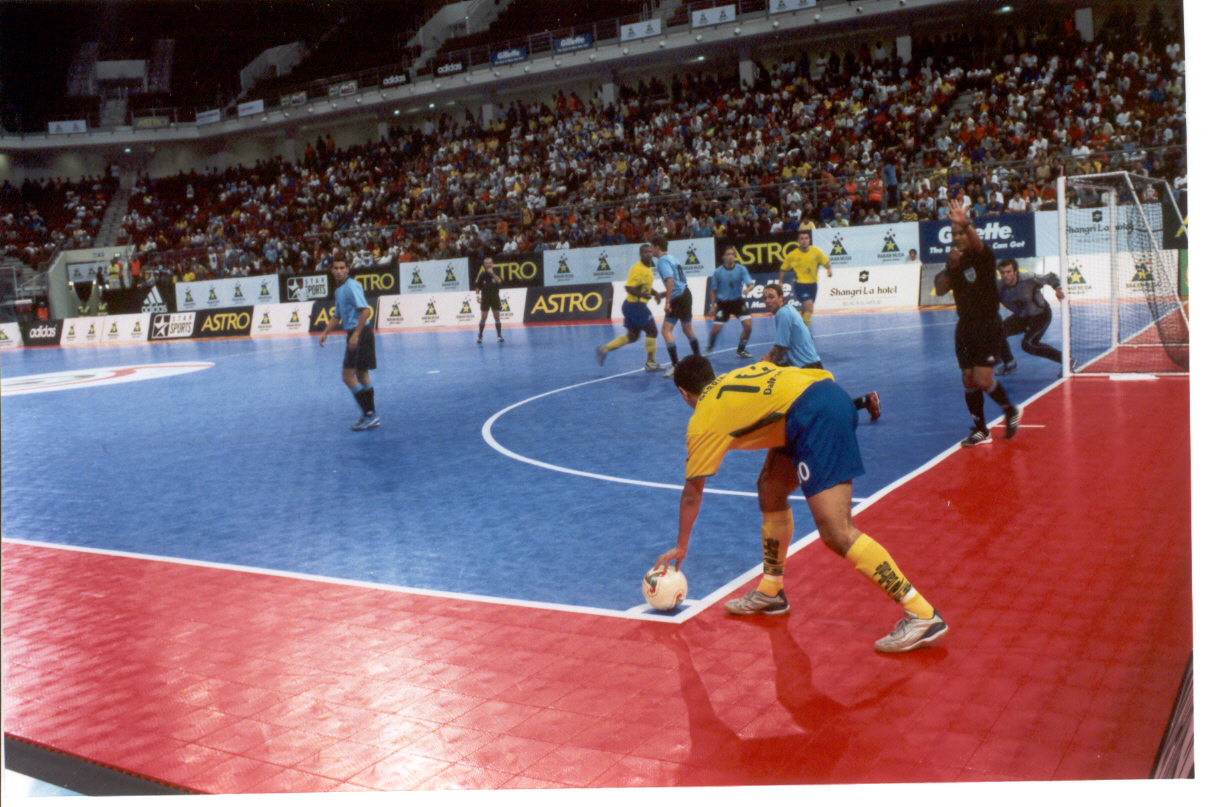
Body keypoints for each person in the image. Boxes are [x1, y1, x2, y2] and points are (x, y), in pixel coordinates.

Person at [654, 355, 946, 653]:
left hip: (815, 417)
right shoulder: (734, 377)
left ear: (683, 392)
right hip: (818, 399)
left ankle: (921, 613)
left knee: (837, 532)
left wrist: (681, 545)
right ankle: (771, 591)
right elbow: (781, 381)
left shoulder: (703, 419)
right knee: (770, 488)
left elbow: (692, 493)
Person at [933, 201, 1019, 447]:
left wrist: (966, 223)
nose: (958, 237)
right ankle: (981, 429)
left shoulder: (983, 256)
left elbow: (979, 244)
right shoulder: (953, 261)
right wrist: (951, 266)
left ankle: (1009, 410)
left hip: (988, 325)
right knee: (968, 380)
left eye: (961, 233)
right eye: (954, 234)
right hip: (965, 327)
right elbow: (939, 291)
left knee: (982, 380)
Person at [762, 283, 880, 419]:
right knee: (823, 407)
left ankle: (867, 400)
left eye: (771, 297)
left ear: (781, 297)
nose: (767, 301)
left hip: (808, 369)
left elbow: (782, 348)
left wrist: (770, 364)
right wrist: (769, 356)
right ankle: (867, 400)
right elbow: (780, 343)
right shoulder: (788, 309)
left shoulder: (782, 314)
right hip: (803, 366)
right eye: (765, 298)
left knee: (830, 410)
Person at [319, 251, 379, 430]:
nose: (338, 271)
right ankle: (371, 415)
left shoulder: (352, 286)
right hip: (359, 334)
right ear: (331, 270)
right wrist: (325, 332)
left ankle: (369, 414)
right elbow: (336, 316)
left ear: (348, 269)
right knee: (361, 375)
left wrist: (355, 335)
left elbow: (366, 311)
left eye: (342, 268)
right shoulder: (338, 291)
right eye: (335, 268)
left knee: (347, 376)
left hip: (360, 334)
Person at [596, 243, 664, 371]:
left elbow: (645, 287)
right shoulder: (637, 269)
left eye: (650, 251)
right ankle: (650, 363)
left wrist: (656, 294)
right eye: (645, 252)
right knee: (652, 331)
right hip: (635, 306)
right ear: (640, 254)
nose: (648, 254)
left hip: (631, 306)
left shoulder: (648, 268)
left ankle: (604, 349)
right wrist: (642, 295)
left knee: (633, 336)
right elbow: (628, 287)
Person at [995, 258, 1066, 374]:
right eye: (1002, 272)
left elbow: (1051, 276)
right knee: (997, 332)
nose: (1005, 275)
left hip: (1040, 315)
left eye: (1009, 272)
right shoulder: (998, 286)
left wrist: (1058, 288)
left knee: (1028, 345)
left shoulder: (1029, 278)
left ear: (1016, 272)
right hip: (1022, 317)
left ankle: (1066, 361)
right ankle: (1009, 363)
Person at [652, 234, 700, 378]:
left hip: (677, 297)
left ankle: (675, 366)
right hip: (686, 293)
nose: (650, 250)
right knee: (687, 329)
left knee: (666, 331)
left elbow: (671, 280)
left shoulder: (662, 261)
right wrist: (664, 294)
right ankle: (699, 360)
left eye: (651, 247)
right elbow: (679, 281)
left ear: (657, 247)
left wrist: (667, 302)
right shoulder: (673, 258)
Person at [705, 246, 756, 358]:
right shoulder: (718, 272)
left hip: (738, 302)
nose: (730, 257)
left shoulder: (741, 269)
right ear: (723, 257)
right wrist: (713, 306)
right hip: (723, 304)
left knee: (748, 327)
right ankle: (710, 346)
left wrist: (748, 289)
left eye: (732, 254)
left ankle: (741, 350)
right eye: (727, 254)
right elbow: (713, 290)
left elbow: (751, 284)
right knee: (715, 330)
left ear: (734, 256)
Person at [777, 230, 832, 329]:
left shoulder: (816, 251)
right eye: (802, 238)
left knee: (805, 310)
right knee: (809, 307)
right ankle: (805, 333)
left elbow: (825, 261)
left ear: (809, 240)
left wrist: (829, 269)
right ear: (798, 241)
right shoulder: (793, 255)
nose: (804, 241)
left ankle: (797, 327)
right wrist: (780, 281)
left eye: (806, 238)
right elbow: (783, 269)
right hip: (800, 285)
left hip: (813, 285)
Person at [476, 257, 504, 344]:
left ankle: (499, 336)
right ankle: (480, 336)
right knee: (483, 318)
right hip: (485, 298)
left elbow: (499, 281)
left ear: (492, 264)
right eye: (487, 263)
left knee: (497, 317)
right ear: (484, 265)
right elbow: (477, 287)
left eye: (490, 263)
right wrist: (477, 296)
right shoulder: (482, 275)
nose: (488, 264)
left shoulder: (496, 272)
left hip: (495, 298)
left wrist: (492, 273)